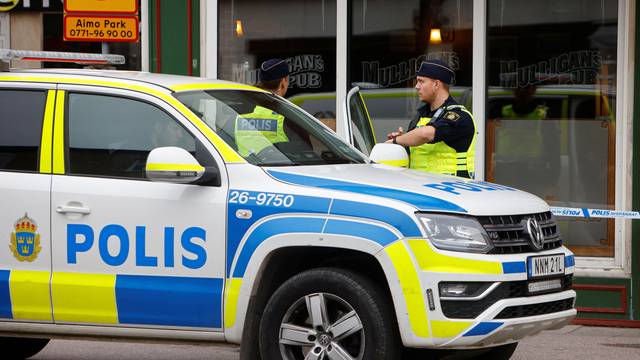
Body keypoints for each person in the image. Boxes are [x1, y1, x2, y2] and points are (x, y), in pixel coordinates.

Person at [386, 59, 476, 178]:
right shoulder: (421, 116)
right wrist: (403, 144)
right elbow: (418, 154)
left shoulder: (458, 115)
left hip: (452, 190)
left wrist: (397, 140)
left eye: (421, 81)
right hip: (422, 188)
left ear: (436, 84)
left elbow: (426, 134)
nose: (417, 86)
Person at [235, 59, 290, 157]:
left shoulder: (241, 107)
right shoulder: (287, 114)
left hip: (242, 167)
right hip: (277, 168)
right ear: (283, 81)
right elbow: (306, 150)